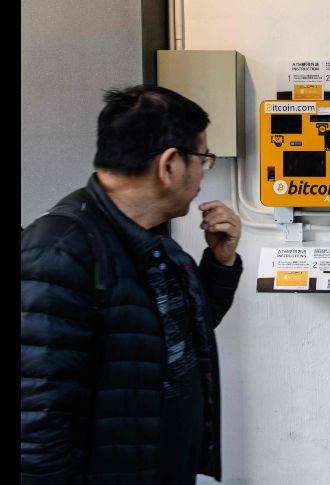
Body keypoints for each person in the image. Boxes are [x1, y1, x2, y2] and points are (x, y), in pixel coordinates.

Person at [21, 85, 243, 484]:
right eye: (203, 159)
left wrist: (221, 262)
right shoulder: (61, 250)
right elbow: (37, 420)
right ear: (170, 165)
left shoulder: (155, 245)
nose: (202, 174)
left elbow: (183, 336)